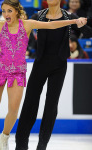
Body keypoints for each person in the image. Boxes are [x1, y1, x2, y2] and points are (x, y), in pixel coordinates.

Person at [0, 0, 87, 150]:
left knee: (14, 110)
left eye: (9, 11)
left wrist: (74, 21)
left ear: (16, 11)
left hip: (17, 72)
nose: (5, 14)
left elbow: (51, 25)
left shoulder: (27, 24)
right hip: (0, 69)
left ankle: (5, 136)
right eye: (3, 11)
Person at [15, 0, 91, 150]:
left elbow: (89, 32)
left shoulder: (69, 16)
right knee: (30, 102)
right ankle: (21, 144)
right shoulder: (38, 16)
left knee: (51, 105)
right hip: (40, 63)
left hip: (59, 65)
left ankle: (42, 145)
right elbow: (24, 33)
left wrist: (82, 25)